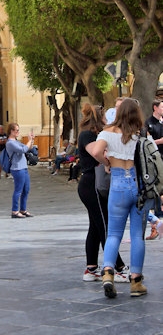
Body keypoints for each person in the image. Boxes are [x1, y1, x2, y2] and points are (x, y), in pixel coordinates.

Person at [92, 97, 152, 298]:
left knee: (114, 233)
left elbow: (97, 151)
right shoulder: (142, 135)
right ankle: (136, 282)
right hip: (138, 186)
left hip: (117, 184)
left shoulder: (107, 133)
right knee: (137, 235)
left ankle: (108, 272)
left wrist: (106, 162)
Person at [77, 104, 128, 283]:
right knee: (105, 226)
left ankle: (91, 268)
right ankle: (119, 268)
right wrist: (108, 162)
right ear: (101, 119)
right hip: (92, 184)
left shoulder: (95, 135)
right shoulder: (88, 135)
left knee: (96, 226)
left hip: (93, 184)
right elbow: (96, 153)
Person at [6, 123, 36, 218]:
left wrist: (31, 140)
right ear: (11, 131)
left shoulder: (16, 141)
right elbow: (22, 150)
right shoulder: (10, 143)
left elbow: (27, 148)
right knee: (18, 190)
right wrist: (29, 140)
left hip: (24, 167)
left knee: (26, 189)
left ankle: (23, 209)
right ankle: (14, 211)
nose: (18, 132)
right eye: (16, 130)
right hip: (17, 168)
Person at [144, 98, 163, 225]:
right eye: (162, 107)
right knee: (157, 184)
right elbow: (146, 142)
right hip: (155, 158)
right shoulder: (148, 123)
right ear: (155, 108)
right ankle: (157, 211)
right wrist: (160, 141)